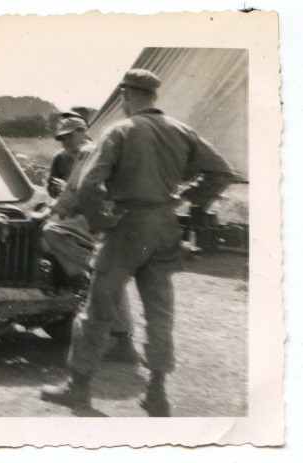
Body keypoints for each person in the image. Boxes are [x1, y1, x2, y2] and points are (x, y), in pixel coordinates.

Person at [40, 69, 234, 416]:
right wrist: (186, 197)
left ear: (125, 95)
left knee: (97, 308)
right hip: (165, 228)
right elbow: (221, 172)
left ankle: (77, 388)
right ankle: (157, 392)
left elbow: (87, 185)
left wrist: (101, 222)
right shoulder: (181, 130)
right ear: (154, 96)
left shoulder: (119, 131)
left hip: (126, 228)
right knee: (160, 312)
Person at [36, 115, 138, 363]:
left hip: (98, 220)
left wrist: (51, 212)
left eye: (70, 135)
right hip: (116, 220)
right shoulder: (94, 151)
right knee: (107, 279)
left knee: (51, 231)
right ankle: (124, 342)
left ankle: (85, 270)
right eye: (61, 138)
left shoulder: (87, 151)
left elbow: (74, 190)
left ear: (83, 131)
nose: (65, 142)